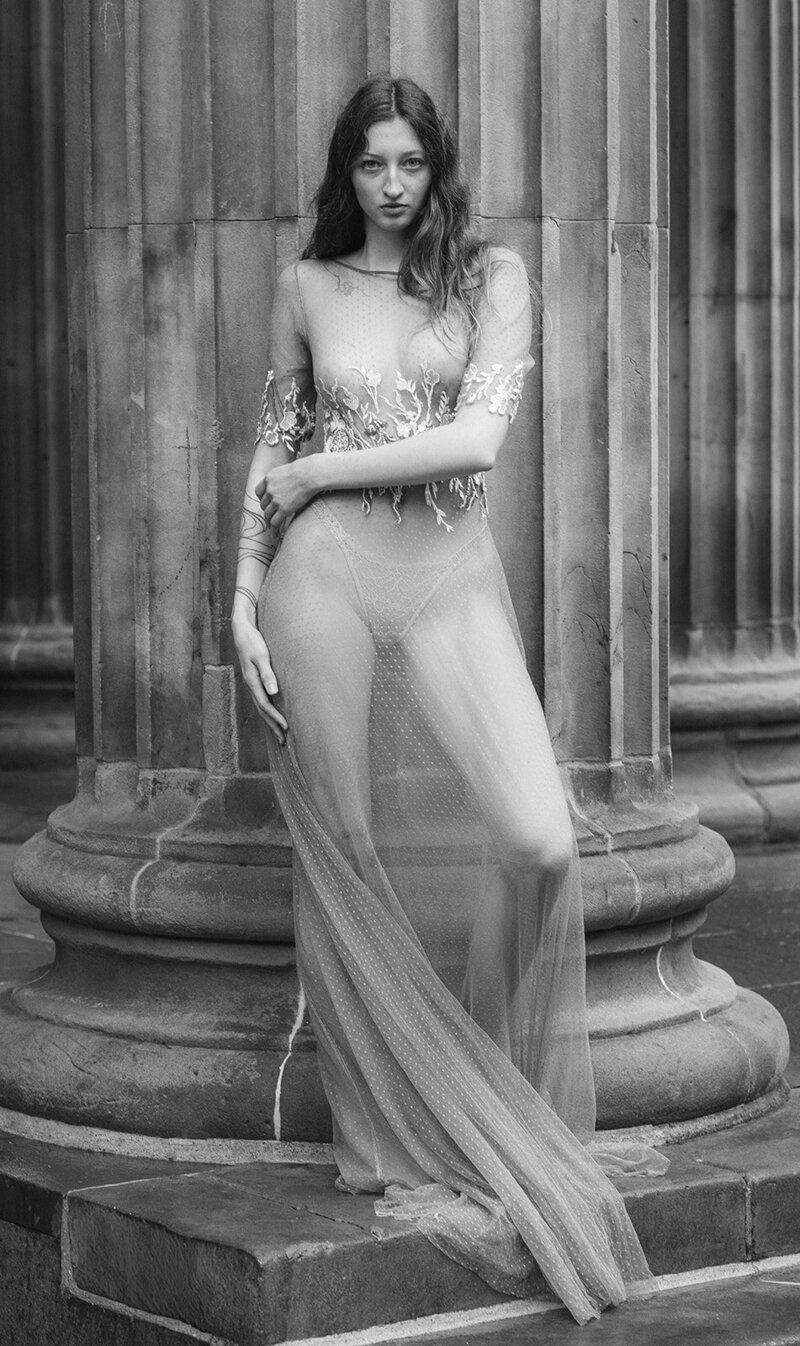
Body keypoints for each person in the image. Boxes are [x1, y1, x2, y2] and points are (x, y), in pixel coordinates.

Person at [231, 74, 666, 1326]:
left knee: (535, 838)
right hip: (316, 580)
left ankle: (475, 1085)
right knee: (349, 854)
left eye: (409, 162)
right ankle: (389, 1123)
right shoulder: (307, 286)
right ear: (344, 173)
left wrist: (320, 463)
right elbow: (271, 447)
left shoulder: (492, 278)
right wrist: (240, 600)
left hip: (446, 575)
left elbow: (475, 442)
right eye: (369, 164)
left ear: (437, 166)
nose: (389, 185)